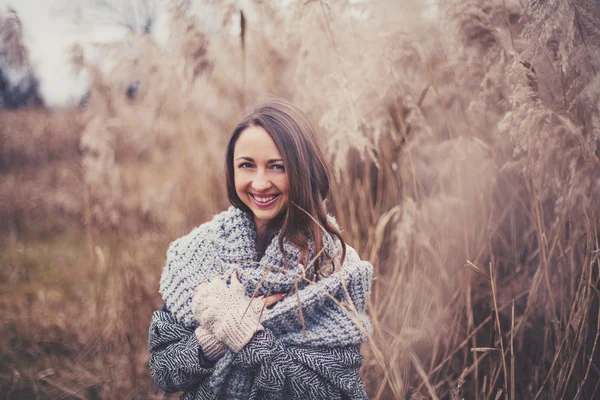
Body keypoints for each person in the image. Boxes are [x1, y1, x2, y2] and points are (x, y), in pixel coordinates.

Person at [148, 98, 373, 400]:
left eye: (277, 167)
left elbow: (330, 390)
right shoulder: (198, 253)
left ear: (303, 170)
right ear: (232, 169)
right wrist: (213, 337)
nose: (260, 182)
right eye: (246, 165)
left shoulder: (333, 263)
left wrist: (241, 332)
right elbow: (164, 370)